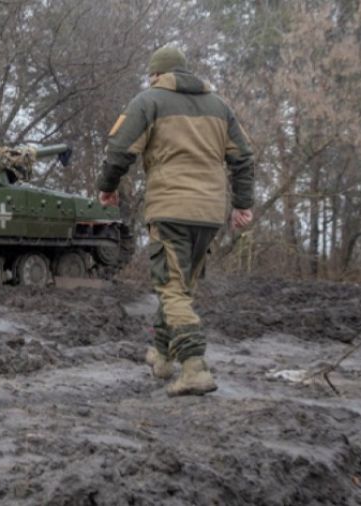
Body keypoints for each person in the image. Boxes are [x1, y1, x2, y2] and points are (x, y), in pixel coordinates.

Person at [96, 46, 254, 396]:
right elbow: (244, 157)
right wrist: (242, 204)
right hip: (209, 213)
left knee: (170, 288)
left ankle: (194, 367)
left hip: (170, 208)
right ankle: (163, 356)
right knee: (180, 289)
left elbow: (120, 149)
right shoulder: (219, 106)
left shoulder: (149, 101)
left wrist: (107, 187)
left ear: (156, 75)